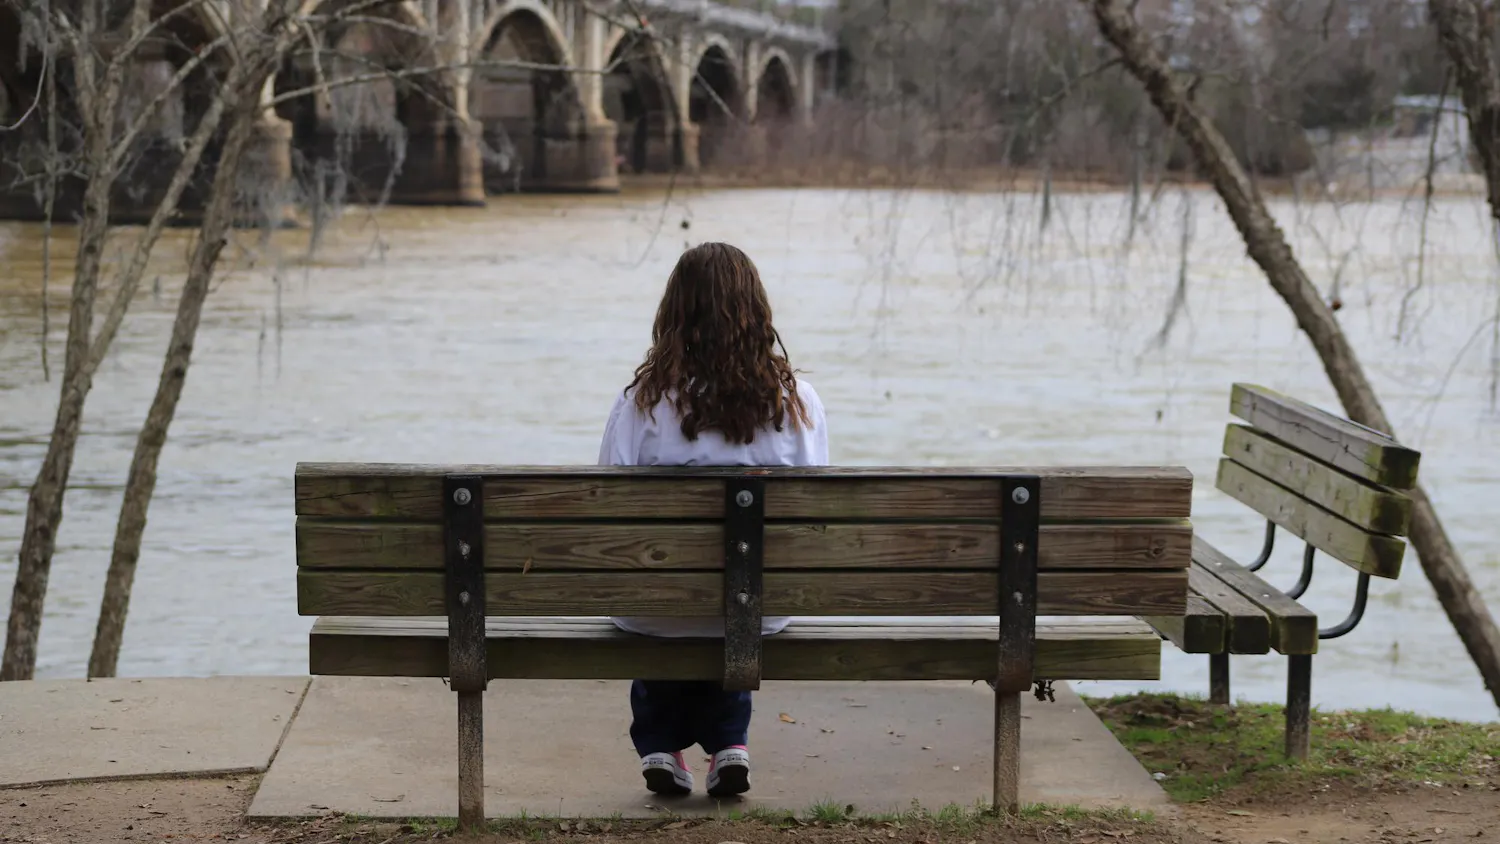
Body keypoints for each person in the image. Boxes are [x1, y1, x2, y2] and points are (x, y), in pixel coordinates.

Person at [597, 241, 828, 799]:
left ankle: (660, 744)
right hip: (763, 605)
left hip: (654, 605)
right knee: (743, 590)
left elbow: (605, 510)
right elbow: (815, 516)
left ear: (674, 313)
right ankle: (729, 744)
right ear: (758, 312)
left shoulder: (641, 404)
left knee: (666, 599)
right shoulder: (797, 403)